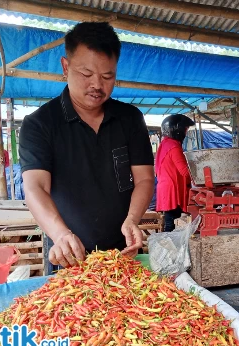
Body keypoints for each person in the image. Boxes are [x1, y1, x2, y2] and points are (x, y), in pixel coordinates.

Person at [19, 22, 154, 268]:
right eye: (86, 74)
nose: (97, 85)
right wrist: (60, 234)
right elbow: (35, 187)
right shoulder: (39, 124)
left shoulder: (131, 119)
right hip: (68, 254)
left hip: (124, 253)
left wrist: (133, 219)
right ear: (65, 67)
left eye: (107, 76)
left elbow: (144, 179)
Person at [155, 114, 195, 232]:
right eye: (185, 129)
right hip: (172, 189)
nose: (186, 133)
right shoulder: (173, 146)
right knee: (170, 223)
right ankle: (170, 248)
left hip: (165, 187)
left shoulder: (164, 145)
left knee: (169, 221)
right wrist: (202, 176)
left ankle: (169, 246)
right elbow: (184, 171)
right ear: (177, 129)